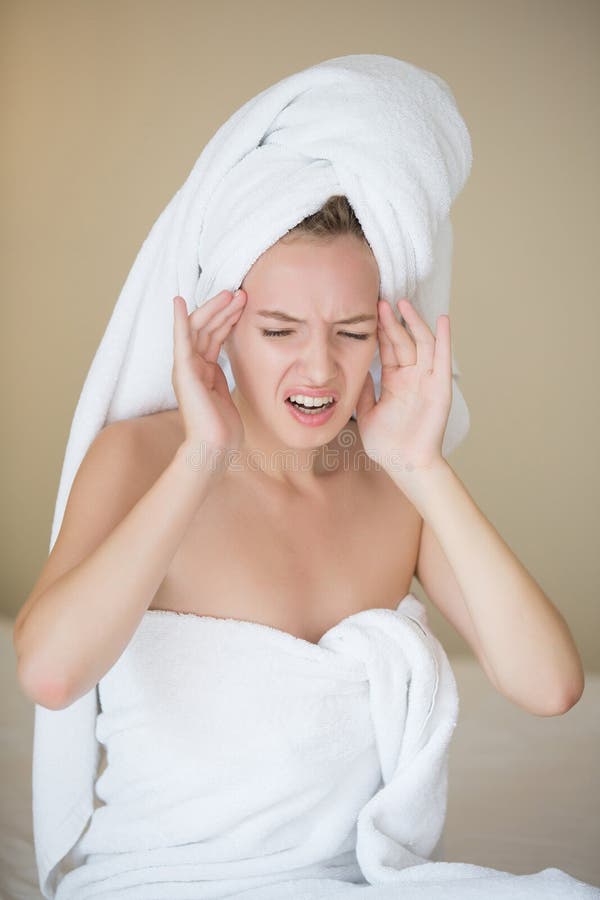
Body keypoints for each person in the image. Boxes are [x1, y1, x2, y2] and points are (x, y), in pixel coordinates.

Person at [13, 195, 590, 898]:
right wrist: (201, 457)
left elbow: (551, 684)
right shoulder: (138, 458)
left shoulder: (394, 482)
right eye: (280, 330)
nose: (319, 369)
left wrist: (424, 469)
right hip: (163, 878)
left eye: (350, 333)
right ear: (221, 330)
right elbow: (50, 673)